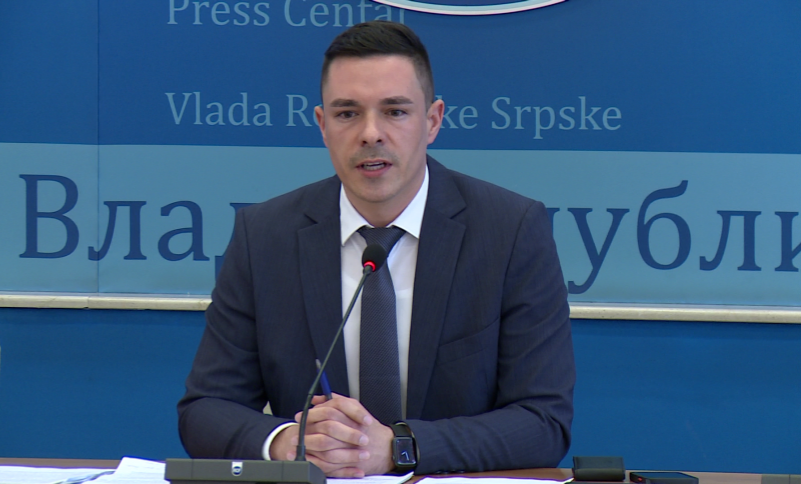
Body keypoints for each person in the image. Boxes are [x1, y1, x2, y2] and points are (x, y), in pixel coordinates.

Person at [178, 20, 575, 477]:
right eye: (347, 113)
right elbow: (205, 410)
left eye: (395, 111)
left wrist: (398, 448)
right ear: (322, 125)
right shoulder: (265, 236)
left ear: (433, 121)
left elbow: (543, 423)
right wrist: (288, 441)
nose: (370, 134)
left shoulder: (510, 232)